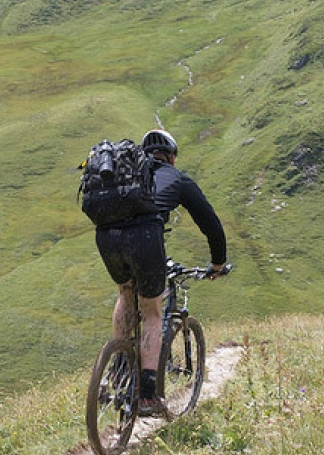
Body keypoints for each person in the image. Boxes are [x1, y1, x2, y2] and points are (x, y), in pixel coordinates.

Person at [94, 128, 228, 416]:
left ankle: (119, 366)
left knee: (126, 293)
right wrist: (217, 264)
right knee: (152, 312)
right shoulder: (177, 178)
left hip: (106, 236)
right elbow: (211, 224)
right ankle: (147, 397)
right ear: (171, 157)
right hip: (144, 237)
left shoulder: (128, 174)